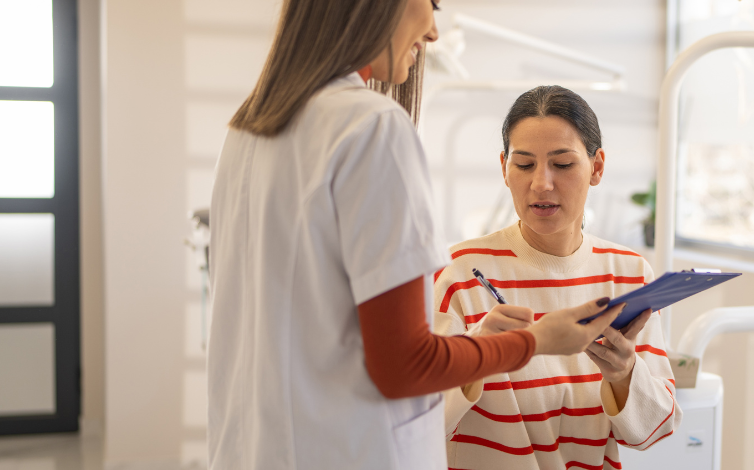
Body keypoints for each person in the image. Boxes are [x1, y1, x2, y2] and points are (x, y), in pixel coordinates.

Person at [205, 1, 624, 469]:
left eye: (563, 164)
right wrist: (541, 340)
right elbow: (405, 365)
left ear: (596, 167)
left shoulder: (251, 127)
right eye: (433, 3)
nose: (433, 31)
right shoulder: (372, 126)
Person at [432, 86, 681, 470]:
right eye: (524, 164)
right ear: (503, 167)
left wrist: (623, 373)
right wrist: (477, 353)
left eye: (562, 164)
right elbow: (416, 425)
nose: (541, 184)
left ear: (597, 167)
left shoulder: (628, 273)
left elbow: (654, 430)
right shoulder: (459, 272)